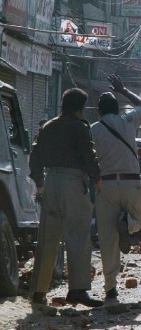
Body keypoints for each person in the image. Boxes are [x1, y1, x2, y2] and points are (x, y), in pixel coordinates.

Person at [29, 88, 104, 308]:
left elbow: (34, 156)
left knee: (48, 238)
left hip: (51, 180)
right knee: (78, 235)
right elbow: (88, 155)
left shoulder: (47, 126)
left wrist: (40, 184)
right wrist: (98, 180)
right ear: (80, 108)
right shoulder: (81, 128)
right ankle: (78, 291)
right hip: (73, 183)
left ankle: (39, 292)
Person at [90, 74, 141, 301]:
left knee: (107, 239)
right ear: (117, 109)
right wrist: (123, 89)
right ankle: (128, 224)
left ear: (99, 112)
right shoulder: (128, 120)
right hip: (131, 180)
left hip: (106, 185)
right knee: (139, 220)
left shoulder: (93, 128)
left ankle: (110, 288)